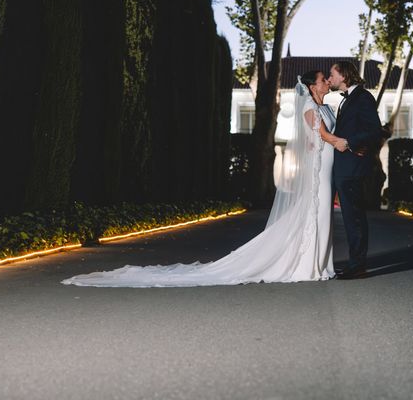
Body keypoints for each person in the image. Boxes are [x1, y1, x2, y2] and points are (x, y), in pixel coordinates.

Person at [61, 70, 347, 287]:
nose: (325, 82)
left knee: (320, 216)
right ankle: (308, 266)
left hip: (323, 167)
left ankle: (320, 264)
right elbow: (320, 135)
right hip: (318, 171)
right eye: (322, 79)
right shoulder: (310, 107)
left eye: (325, 79)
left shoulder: (324, 106)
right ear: (312, 85)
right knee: (316, 214)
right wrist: (337, 142)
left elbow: (314, 139)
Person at [328, 61, 382, 279]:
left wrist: (349, 142)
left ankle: (357, 265)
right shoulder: (349, 99)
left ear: (343, 75)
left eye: (332, 74)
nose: (330, 79)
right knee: (351, 216)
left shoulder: (362, 97)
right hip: (345, 166)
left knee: (354, 217)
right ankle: (355, 262)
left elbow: (374, 130)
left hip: (352, 166)